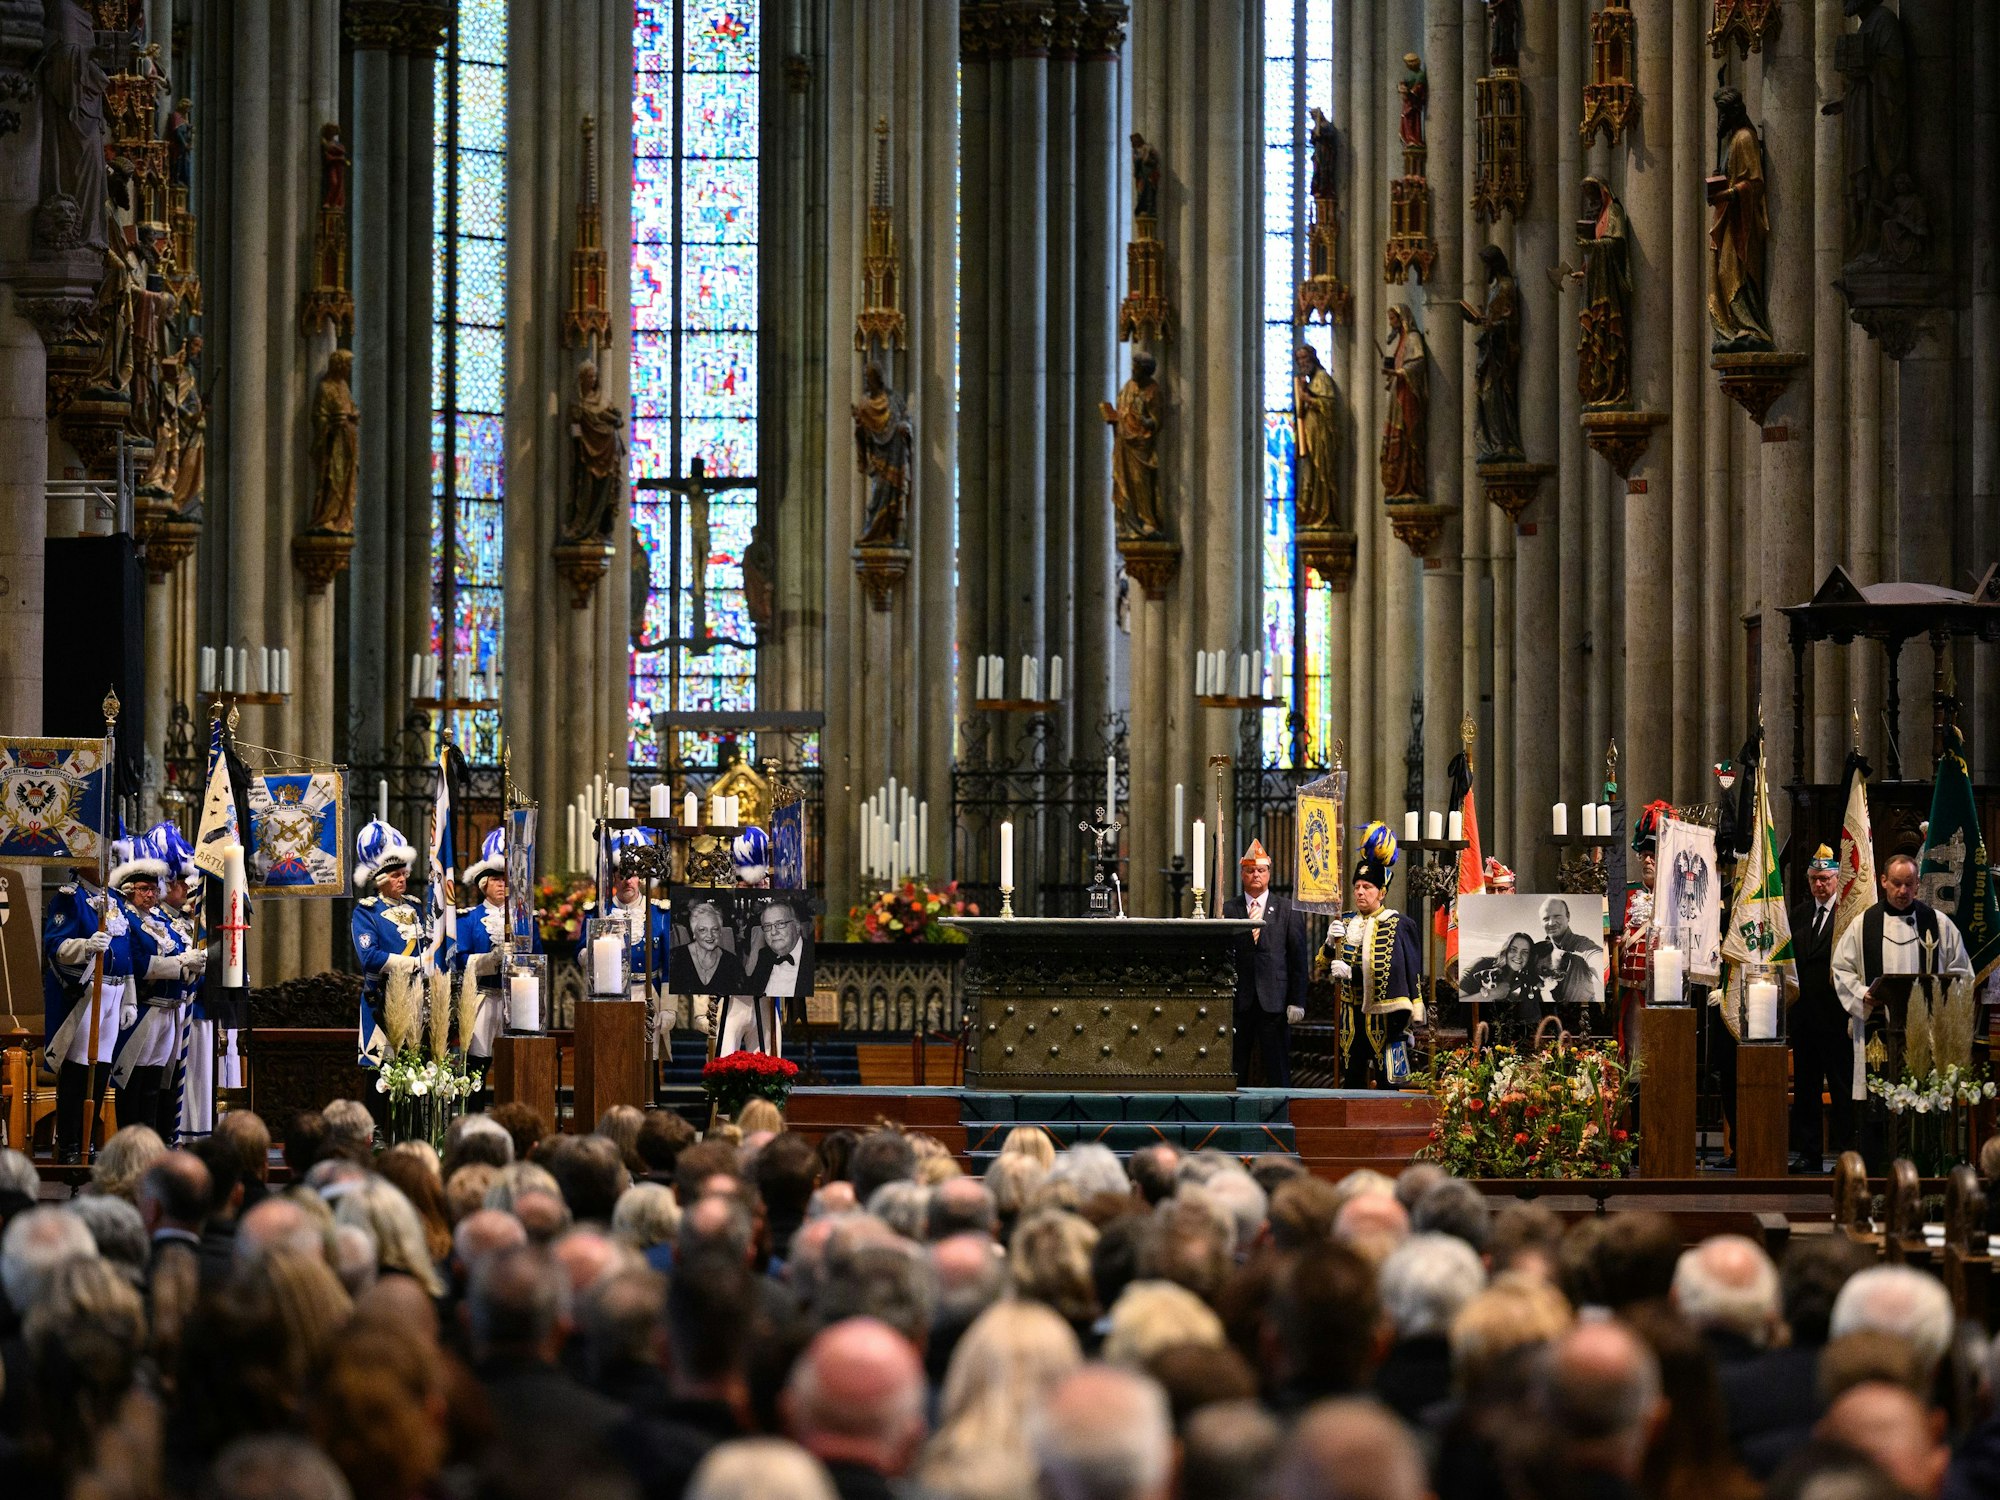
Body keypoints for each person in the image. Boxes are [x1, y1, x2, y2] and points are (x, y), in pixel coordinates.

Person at [1832, 852, 1973, 1110]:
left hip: (1929, 1030)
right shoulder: (1863, 924)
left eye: (1909, 884)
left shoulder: (1938, 924)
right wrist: (1863, 994)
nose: (1903, 890)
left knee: (1924, 1098)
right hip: (1880, 1025)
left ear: (1918, 884)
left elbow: (1963, 972)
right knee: (1879, 1106)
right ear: (1884, 881)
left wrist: (1944, 1000)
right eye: (1897, 883)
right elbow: (1841, 968)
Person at [42, 855, 140, 1164]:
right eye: (101, 860)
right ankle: (71, 1143)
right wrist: (84, 946)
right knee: (78, 1071)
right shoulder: (69, 897)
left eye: (111, 860)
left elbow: (126, 957)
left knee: (101, 1073)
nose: (108, 866)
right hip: (86, 992)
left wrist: (130, 998)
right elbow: (54, 945)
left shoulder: (114, 901)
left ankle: (90, 1141)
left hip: (114, 990)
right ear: (83, 861)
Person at [107, 829, 203, 1142]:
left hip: (170, 1012)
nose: (151, 895)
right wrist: (181, 964)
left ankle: (154, 1143)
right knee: (133, 1081)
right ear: (127, 890)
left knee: (156, 1083)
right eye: (144, 889)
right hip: (145, 1010)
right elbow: (142, 964)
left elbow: (178, 952)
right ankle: (132, 1143)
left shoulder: (159, 923)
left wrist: (193, 964)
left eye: (153, 888)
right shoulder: (127, 921)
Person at [1322, 823, 1422, 1089]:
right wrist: (1331, 943)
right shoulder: (1344, 921)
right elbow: (1322, 964)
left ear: (1382, 891)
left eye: (1367, 886)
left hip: (1385, 1018)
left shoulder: (1397, 924)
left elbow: (1393, 972)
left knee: (1389, 1080)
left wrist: (1351, 973)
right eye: (1357, 886)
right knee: (1352, 1078)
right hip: (1349, 1014)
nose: (1360, 892)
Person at [452, 827, 540, 1083]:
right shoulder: (469, 919)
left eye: (507, 878)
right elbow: (460, 961)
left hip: (519, 1000)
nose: (503, 884)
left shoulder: (527, 919)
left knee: (518, 1066)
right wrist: (492, 959)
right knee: (476, 1066)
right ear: (484, 884)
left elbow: (539, 958)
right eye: (497, 879)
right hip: (484, 998)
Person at [1222, 839, 1308, 1088]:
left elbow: (1297, 958)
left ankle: (1280, 1115)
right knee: (1235, 1066)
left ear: (1269, 873)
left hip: (1276, 1002)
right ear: (1242, 874)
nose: (1255, 875)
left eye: (1260, 870)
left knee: (1278, 1066)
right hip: (1240, 1000)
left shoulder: (1287, 909)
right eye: (1250, 870)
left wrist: (1297, 1001)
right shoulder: (1229, 909)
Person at [579, 827, 674, 1051]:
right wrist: (592, 952)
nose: (627, 882)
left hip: (648, 995)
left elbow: (670, 965)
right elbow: (579, 953)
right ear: (613, 877)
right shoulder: (598, 911)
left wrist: (670, 1008)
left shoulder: (659, 913)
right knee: (610, 1060)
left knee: (645, 1066)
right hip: (608, 998)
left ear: (641, 877)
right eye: (621, 875)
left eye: (631, 875)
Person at [1790, 845, 1854, 1168]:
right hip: (1804, 1019)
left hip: (1836, 1017)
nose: (1820, 885)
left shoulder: (1847, 916)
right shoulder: (1800, 914)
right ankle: (1809, 1153)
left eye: (1826, 879)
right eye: (1815, 879)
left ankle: (1846, 1153)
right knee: (1806, 1089)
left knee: (1842, 1087)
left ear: (1836, 879)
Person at [348, 819, 426, 1073]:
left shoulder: (415, 907)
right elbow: (370, 957)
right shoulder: (367, 912)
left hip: (415, 999)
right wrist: (414, 963)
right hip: (381, 1000)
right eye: (395, 875)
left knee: (414, 1075)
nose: (402, 879)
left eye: (404, 873)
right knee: (381, 1076)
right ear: (380, 879)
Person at [1618, 801, 1671, 1062]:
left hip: (1663, 995)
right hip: (1630, 993)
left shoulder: (1674, 900)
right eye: (1644, 854)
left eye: (1654, 855)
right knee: (1631, 1058)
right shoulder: (1628, 896)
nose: (1647, 860)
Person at [733, 900, 808, 1058]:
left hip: (785, 1028)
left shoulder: (810, 957)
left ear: (796, 925)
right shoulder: (764, 956)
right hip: (760, 1024)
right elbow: (752, 990)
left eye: (780, 924)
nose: (773, 932)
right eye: (767, 927)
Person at [1534, 896, 1605, 1029]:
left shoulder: (1583, 946)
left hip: (1582, 1018)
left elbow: (1597, 958)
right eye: (1545, 918)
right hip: (1550, 1019)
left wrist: (1604, 971)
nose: (1551, 922)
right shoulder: (1539, 952)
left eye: (1557, 916)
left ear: (1568, 917)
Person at [1459, 931, 1541, 1046]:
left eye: (1525, 952)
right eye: (1513, 949)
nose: (1518, 956)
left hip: (1512, 1036)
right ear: (1505, 950)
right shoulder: (1481, 965)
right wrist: (1492, 994)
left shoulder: (1525, 977)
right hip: (1480, 1032)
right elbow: (1460, 999)